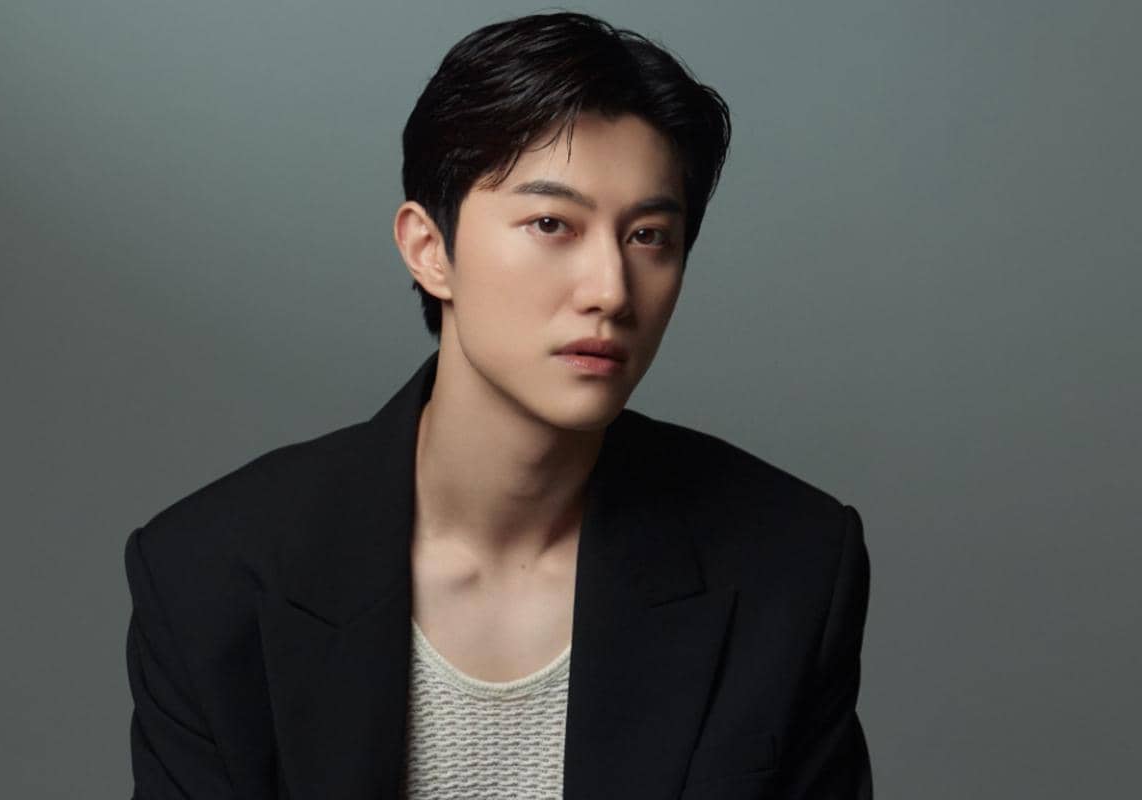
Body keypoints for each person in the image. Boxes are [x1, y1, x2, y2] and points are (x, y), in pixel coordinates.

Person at [124, 11, 873, 800]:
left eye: (649, 236)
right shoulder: (210, 576)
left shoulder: (789, 566)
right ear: (429, 250)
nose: (611, 291)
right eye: (552, 224)